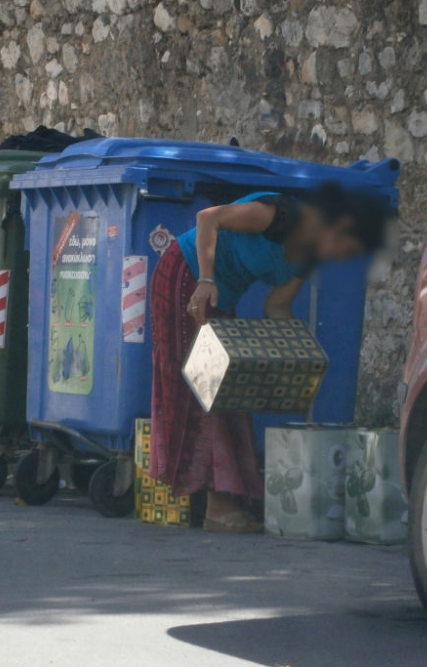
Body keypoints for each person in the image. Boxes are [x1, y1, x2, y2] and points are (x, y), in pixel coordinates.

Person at [149, 183, 396, 533]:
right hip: (187, 276)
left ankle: (226, 495)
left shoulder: (309, 257)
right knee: (203, 390)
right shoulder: (282, 215)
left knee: (229, 389)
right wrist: (206, 279)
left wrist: (302, 353)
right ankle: (216, 506)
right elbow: (208, 219)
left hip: (221, 297)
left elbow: (276, 306)